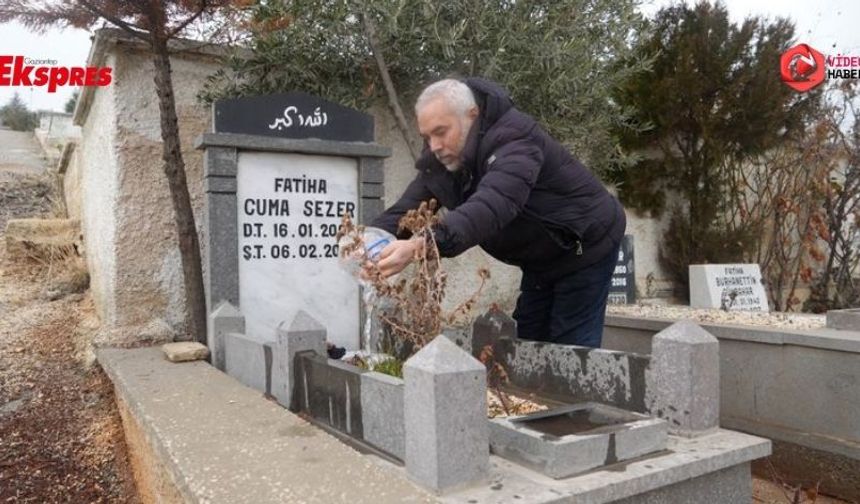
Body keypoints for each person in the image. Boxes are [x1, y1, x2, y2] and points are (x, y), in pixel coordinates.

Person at [370, 77, 625, 348]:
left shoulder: (515, 140)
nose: (434, 146)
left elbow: (492, 205)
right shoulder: (444, 159)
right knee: (529, 338)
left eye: (441, 132)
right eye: (427, 137)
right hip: (542, 254)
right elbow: (406, 209)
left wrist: (422, 245)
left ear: (471, 115)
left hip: (584, 242)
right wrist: (366, 239)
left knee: (571, 347)